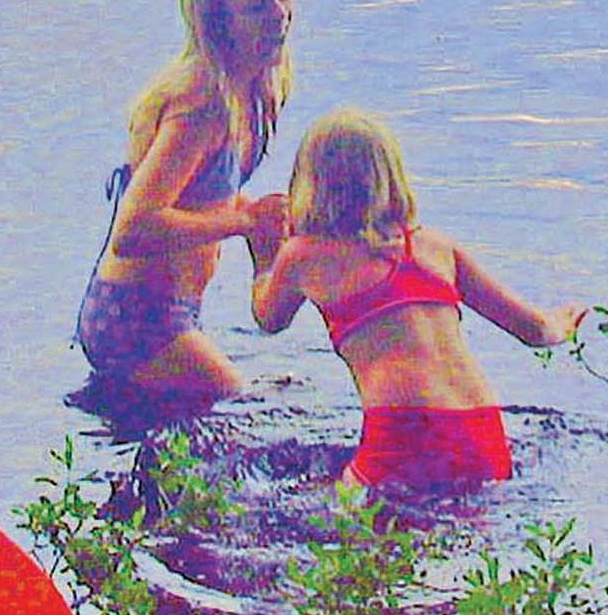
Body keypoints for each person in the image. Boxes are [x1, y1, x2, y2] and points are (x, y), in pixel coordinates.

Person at [248, 108, 584, 488]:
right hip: (484, 434)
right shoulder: (435, 247)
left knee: (332, 509)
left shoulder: (303, 255)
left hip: (404, 432)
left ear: (310, 183)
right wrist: (563, 323)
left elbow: (269, 318)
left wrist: (264, 256)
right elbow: (536, 331)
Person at [75, 0, 295, 401]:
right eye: (256, 7)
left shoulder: (254, 88)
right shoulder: (201, 102)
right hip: (137, 318)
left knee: (255, 404)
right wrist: (242, 223)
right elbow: (134, 229)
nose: (278, 15)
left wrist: (259, 216)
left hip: (176, 310)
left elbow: (202, 191)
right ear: (217, 20)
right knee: (240, 404)